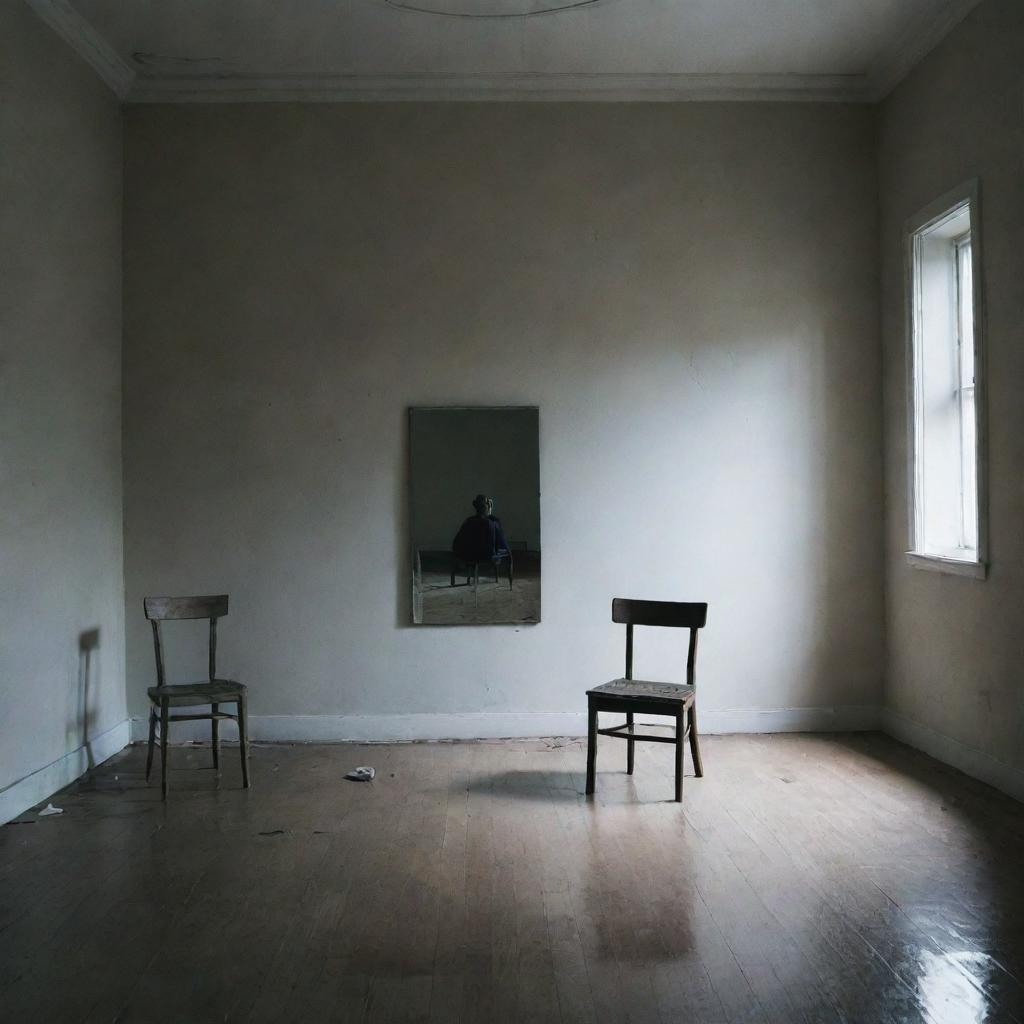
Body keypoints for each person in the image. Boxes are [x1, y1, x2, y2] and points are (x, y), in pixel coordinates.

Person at [452, 494, 511, 571]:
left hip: (469, 556)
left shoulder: (468, 521)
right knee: (504, 552)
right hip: (487, 556)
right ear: (487, 507)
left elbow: (456, 543)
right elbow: (502, 543)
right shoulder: (493, 523)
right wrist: (490, 513)